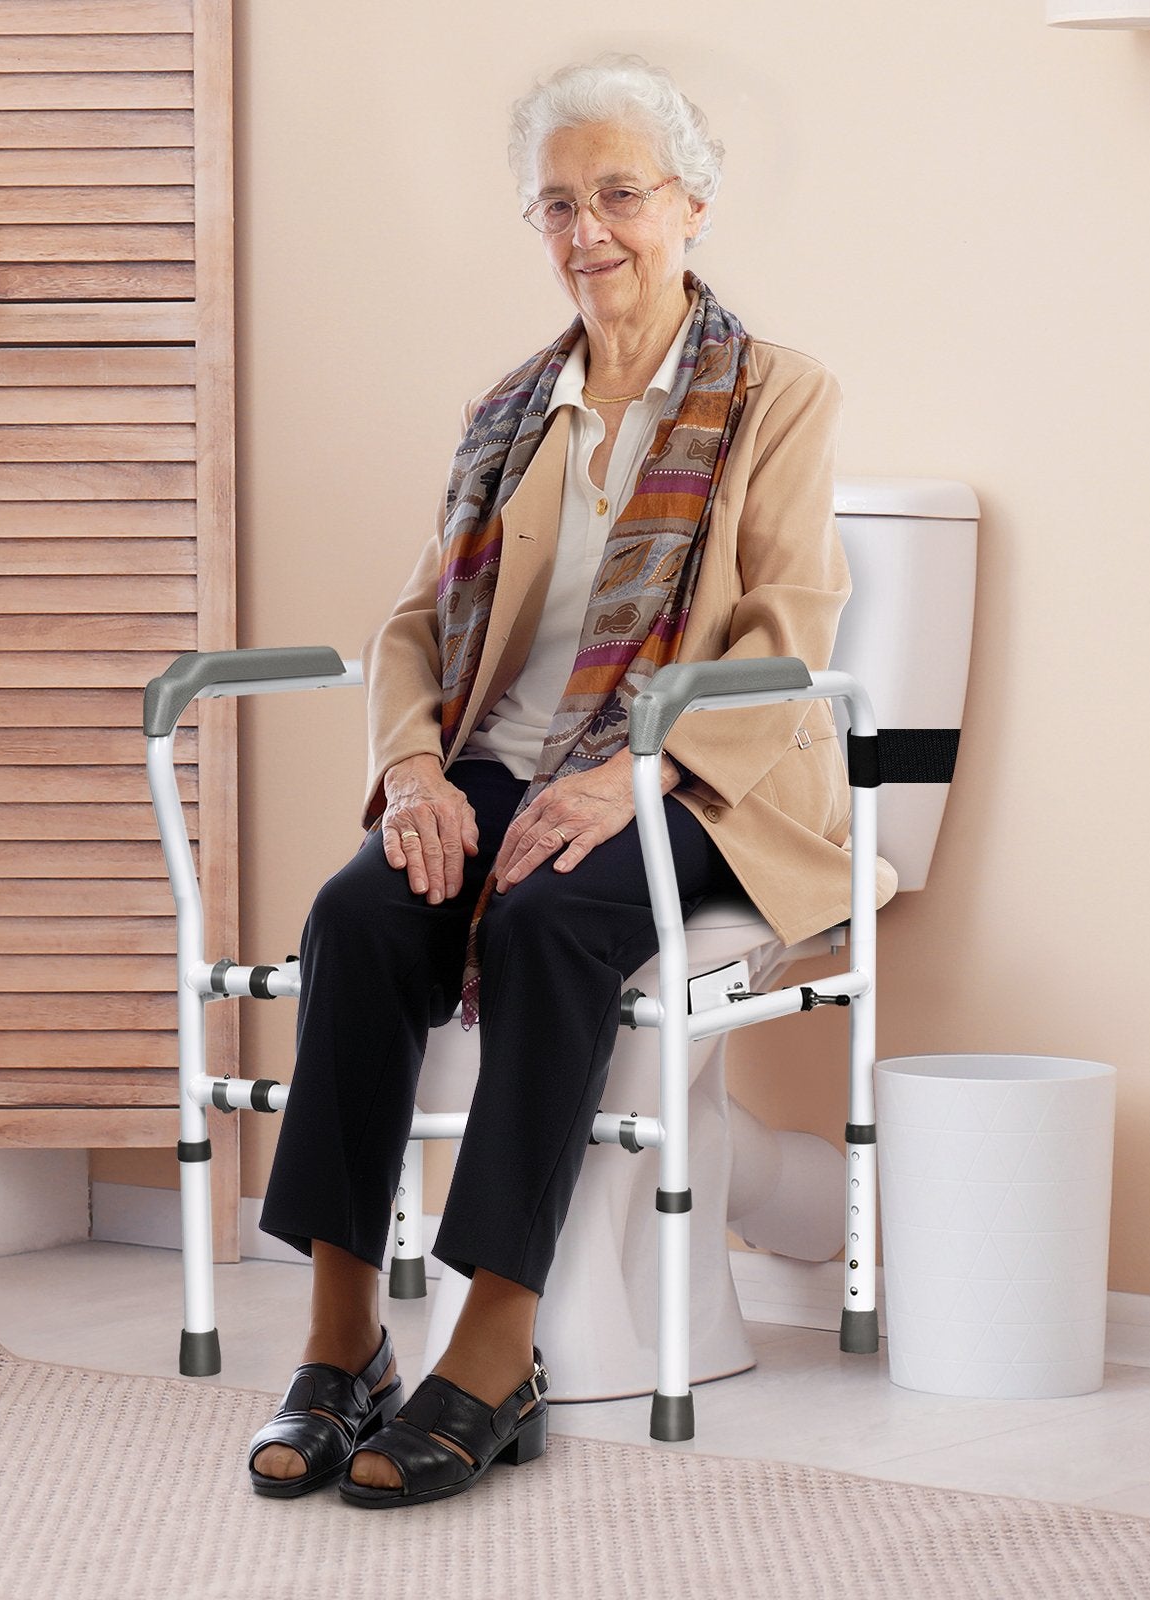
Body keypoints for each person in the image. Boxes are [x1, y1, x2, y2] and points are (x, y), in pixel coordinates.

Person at [247, 53, 855, 1509]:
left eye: (623, 195)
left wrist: (633, 779)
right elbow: (413, 627)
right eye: (561, 203)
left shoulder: (777, 393)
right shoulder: (512, 410)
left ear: (691, 205)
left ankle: (494, 1342)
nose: (592, 229)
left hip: (706, 786)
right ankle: (344, 1347)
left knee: (549, 922)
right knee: (362, 915)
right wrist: (410, 770)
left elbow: (787, 637)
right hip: (504, 770)